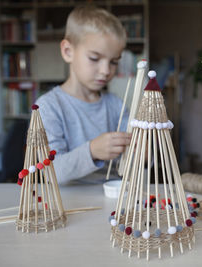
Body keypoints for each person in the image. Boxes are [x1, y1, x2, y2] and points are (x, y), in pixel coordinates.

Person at [36, 6, 131, 184]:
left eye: (113, 62)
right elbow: (51, 172)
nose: (105, 71)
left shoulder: (117, 105)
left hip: (113, 200)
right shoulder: (48, 106)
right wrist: (92, 151)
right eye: (95, 58)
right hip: (68, 204)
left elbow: (132, 163)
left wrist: (143, 151)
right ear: (68, 51)